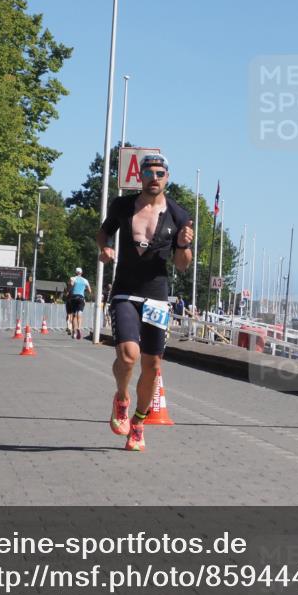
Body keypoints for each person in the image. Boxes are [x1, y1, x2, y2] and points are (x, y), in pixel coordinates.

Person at [96, 153, 194, 451]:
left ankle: (138, 423)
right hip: (125, 291)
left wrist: (183, 245)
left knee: (152, 364)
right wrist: (105, 248)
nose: (154, 178)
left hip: (157, 297)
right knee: (128, 355)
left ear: (167, 177)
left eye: (160, 173)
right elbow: (103, 232)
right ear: (140, 176)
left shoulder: (179, 214)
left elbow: (182, 264)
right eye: (149, 173)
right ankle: (122, 398)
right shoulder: (123, 205)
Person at [67, 267, 91, 340]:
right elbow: (90, 290)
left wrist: (69, 289)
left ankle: (74, 332)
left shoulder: (73, 278)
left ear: (75, 272)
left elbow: (70, 285)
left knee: (74, 315)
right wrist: (84, 289)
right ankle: (79, 328)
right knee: (80, 314)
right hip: (81, 298)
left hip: (74, 298)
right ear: (81, 273)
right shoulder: (85, 280)